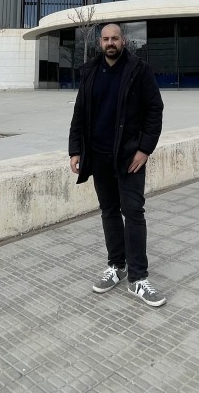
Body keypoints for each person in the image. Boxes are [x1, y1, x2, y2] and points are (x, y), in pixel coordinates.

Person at [69, 23, 166, 307]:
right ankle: (116, 266)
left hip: (128, 158)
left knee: (133, 212)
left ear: (123, 40)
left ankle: (138, 278)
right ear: (100, 42)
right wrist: (75, 150)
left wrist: (144, 149)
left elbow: (154, 110)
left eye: (115, 38)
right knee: (109, 211)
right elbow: (80, 113)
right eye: (105, 38)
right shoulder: (89, 71)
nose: (110, 42)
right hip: (98, 157)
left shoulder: (138, 69)